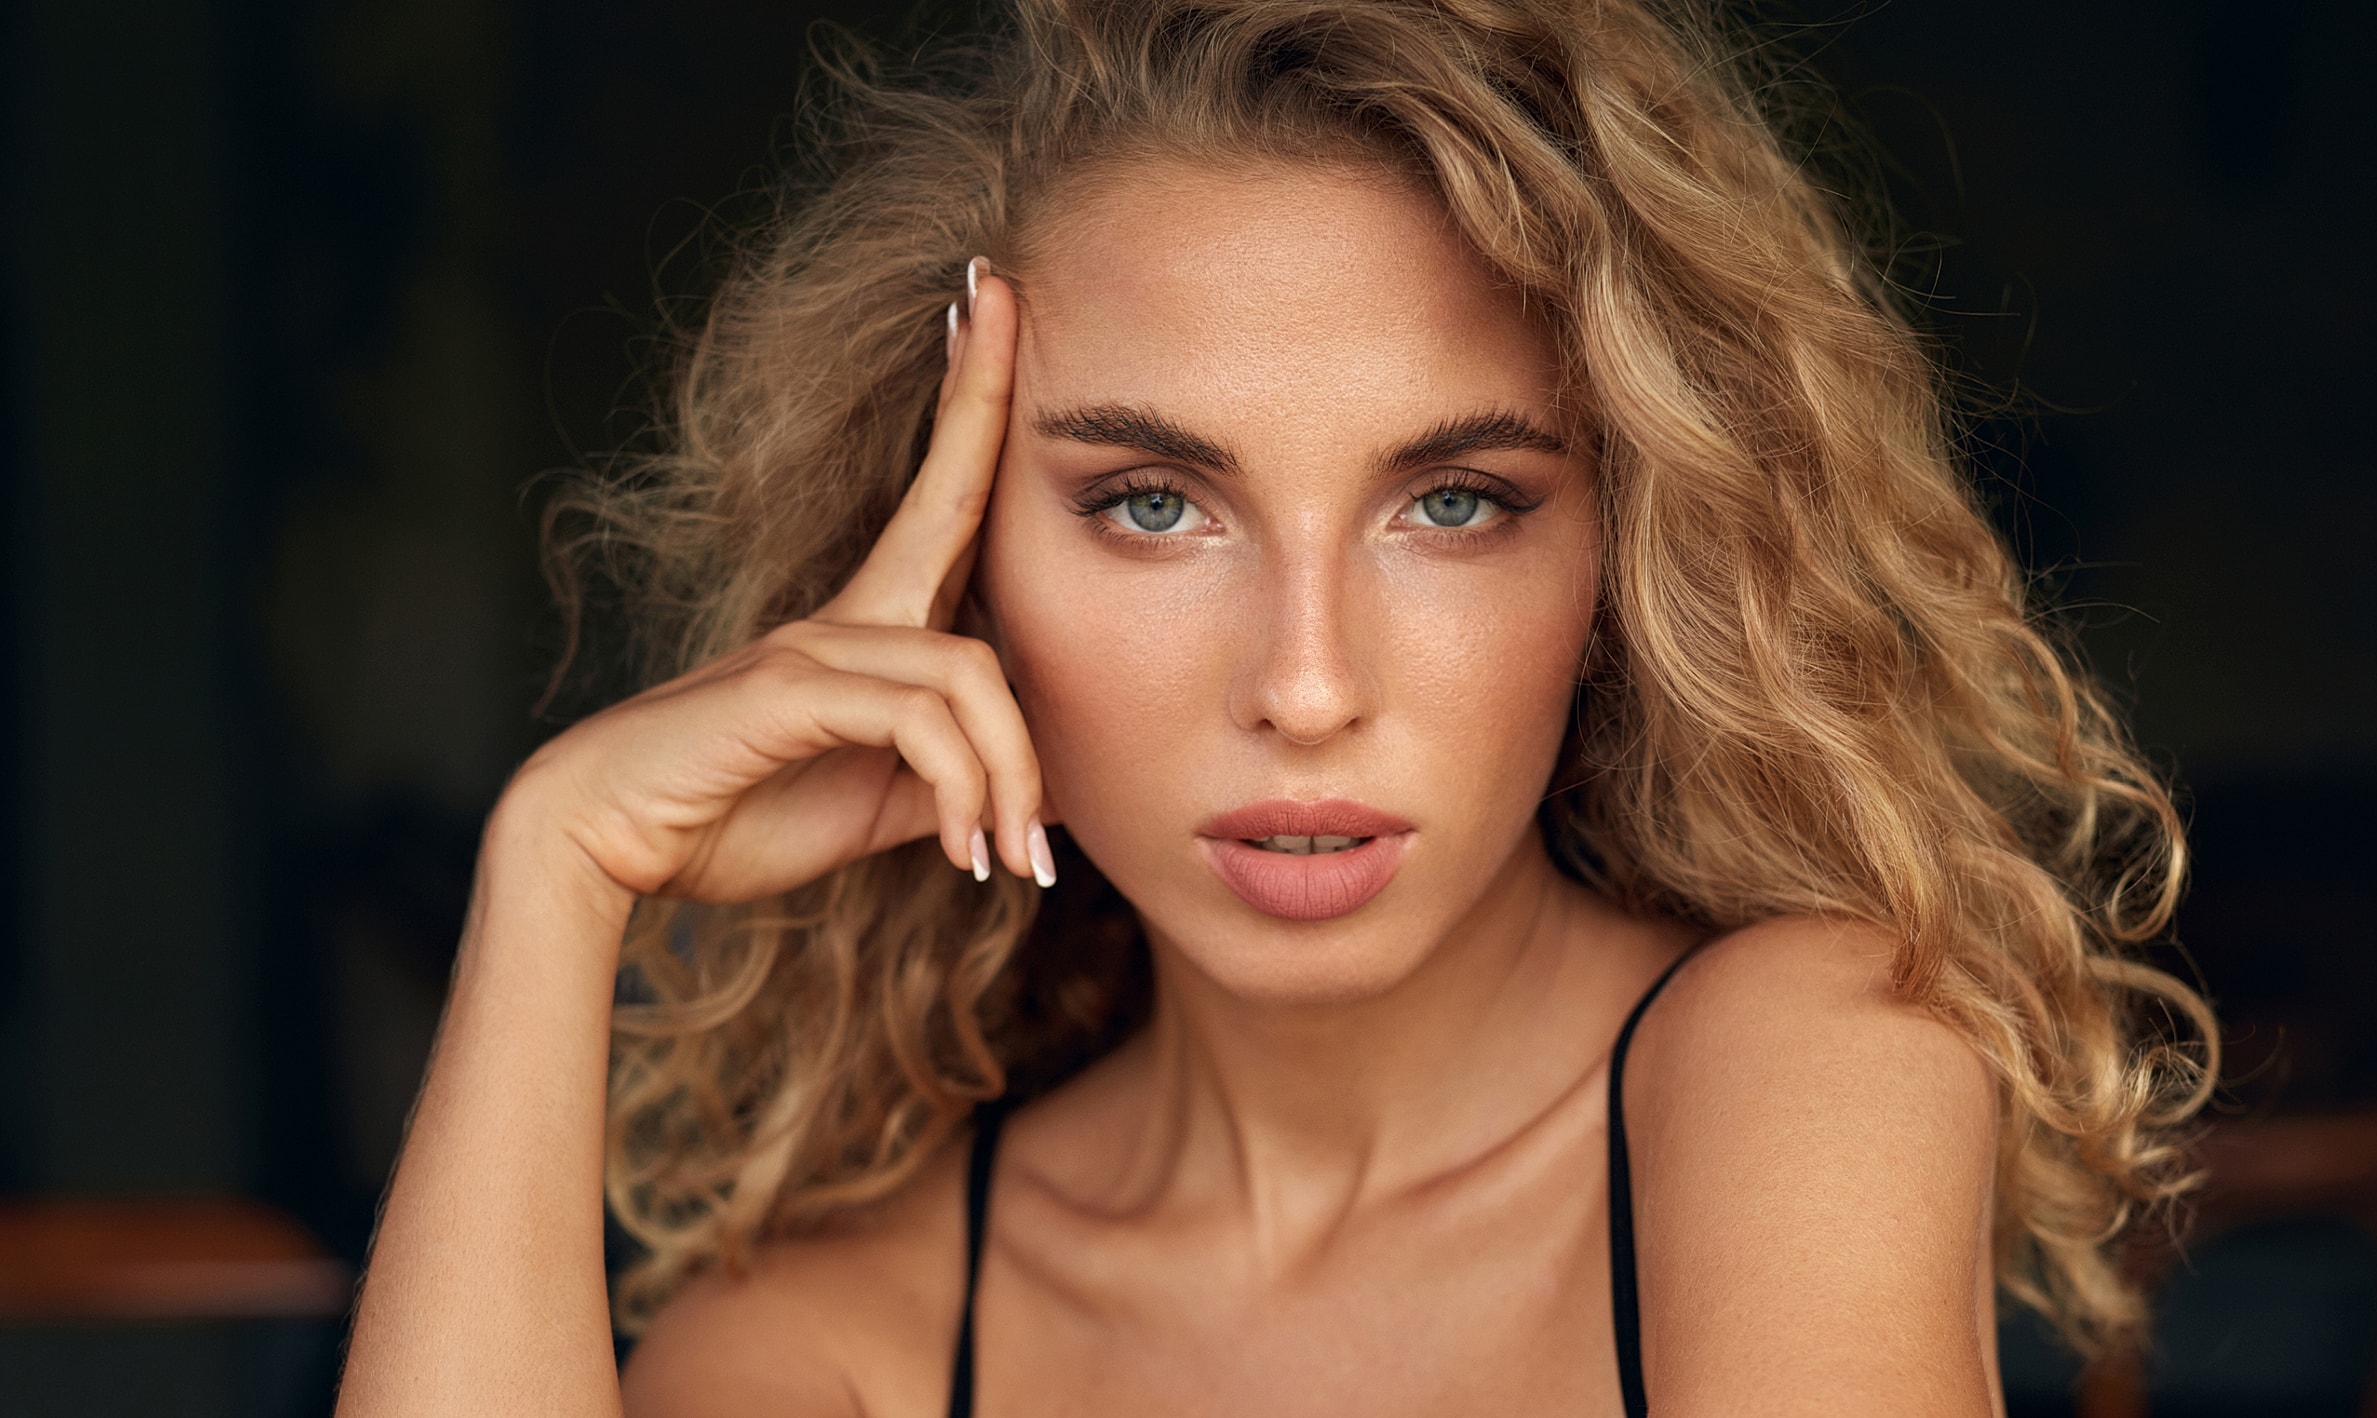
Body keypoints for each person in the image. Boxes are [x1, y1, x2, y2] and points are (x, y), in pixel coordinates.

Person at [335, 1, 2216, 1413]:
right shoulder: (840, 1345)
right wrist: (558, 870)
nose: (1307, 686)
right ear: (964, 564)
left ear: (1625, 563)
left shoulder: (1798, 1059)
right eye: (1153, 505)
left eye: (1455, 504)